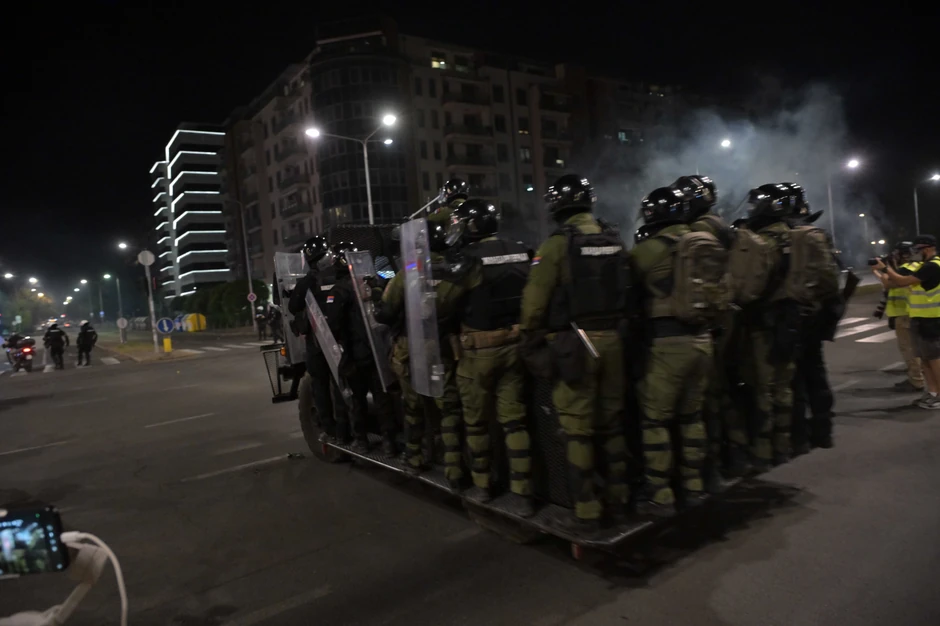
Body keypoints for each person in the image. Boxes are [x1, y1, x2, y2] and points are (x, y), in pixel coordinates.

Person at [519, 174, 630, 532]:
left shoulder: (555, 245)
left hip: (577, 344)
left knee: (578, 430)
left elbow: (533, 307)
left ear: (556, 205)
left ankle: (586, 512)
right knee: (612, 422)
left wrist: (530, 336)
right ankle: (620, 499)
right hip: (615, 339)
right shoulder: (613, 237)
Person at [447, 198, 535, 517]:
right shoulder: (522, 249)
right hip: (515, 345)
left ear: (471, 226)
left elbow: (446, 304)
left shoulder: (467, 259)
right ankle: (523, 493)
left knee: (477, 423)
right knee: (515, 422)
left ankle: (484, 486)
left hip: (479, 353)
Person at [631, 187, 716, 514]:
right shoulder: (704, 241)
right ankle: (693, 487)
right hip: (703, 341)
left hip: (667, 346)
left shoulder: (648, 250)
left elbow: (626, 292)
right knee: (691, 417)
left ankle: (660, 493)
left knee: (657, 421)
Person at [376, 218, 467, 487]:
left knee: (413, 407)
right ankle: (455, 470)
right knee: (449, 410)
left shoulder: (410, 271)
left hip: (412, 348)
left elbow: (387, 311)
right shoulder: (453, 268)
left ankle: (415, 459)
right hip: (445, 347)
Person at [673, 174, 734, 492]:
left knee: (698, 404)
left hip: (702, 326)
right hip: (723, 319)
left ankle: (705, 472)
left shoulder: (695, 233)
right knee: (715, 397)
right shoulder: (722, 227)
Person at [741, 184, 800, 467]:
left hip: (764, 321)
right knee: (783, 387)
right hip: (792, 319)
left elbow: (750, 287)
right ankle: (783, 445)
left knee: (763, 389)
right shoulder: (799, 237)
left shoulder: (762, 241)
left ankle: (763, 453)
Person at [786, 187, 837, 452]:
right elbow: (830, 281)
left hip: (791, 318)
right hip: (814, 317)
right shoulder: (818, 237)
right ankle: (823, 431)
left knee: (793, 379)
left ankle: (797, 437)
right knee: (816, 374)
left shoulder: (786, 237)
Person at [288, 235, 350, 441]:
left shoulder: (308, 281)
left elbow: (293, 306)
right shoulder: (339, 276)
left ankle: (329, 430)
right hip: (341, 340)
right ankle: (345, 430)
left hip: (317, 344)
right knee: (341, 385)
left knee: (320, 387)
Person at [873, 234, 940, 409]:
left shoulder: (933, 266)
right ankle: (932, 393)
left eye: (916, 250)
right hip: (920, 317)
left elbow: (902, 281)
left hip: (931, 319)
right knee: (925, 358)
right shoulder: (926, 265)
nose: (914, 254)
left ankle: (939, 395)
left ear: (926, 249)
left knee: (934, 359)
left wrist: (885, 269)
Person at [873, 241, 923, 392]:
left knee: (909, 349)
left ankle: (916, 381)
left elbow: (889, 283)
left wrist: (877, 270)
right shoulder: (920, 267)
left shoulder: (904, 270)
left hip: (905, 314)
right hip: (919, 313)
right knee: (920, 348)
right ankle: (922, 376)